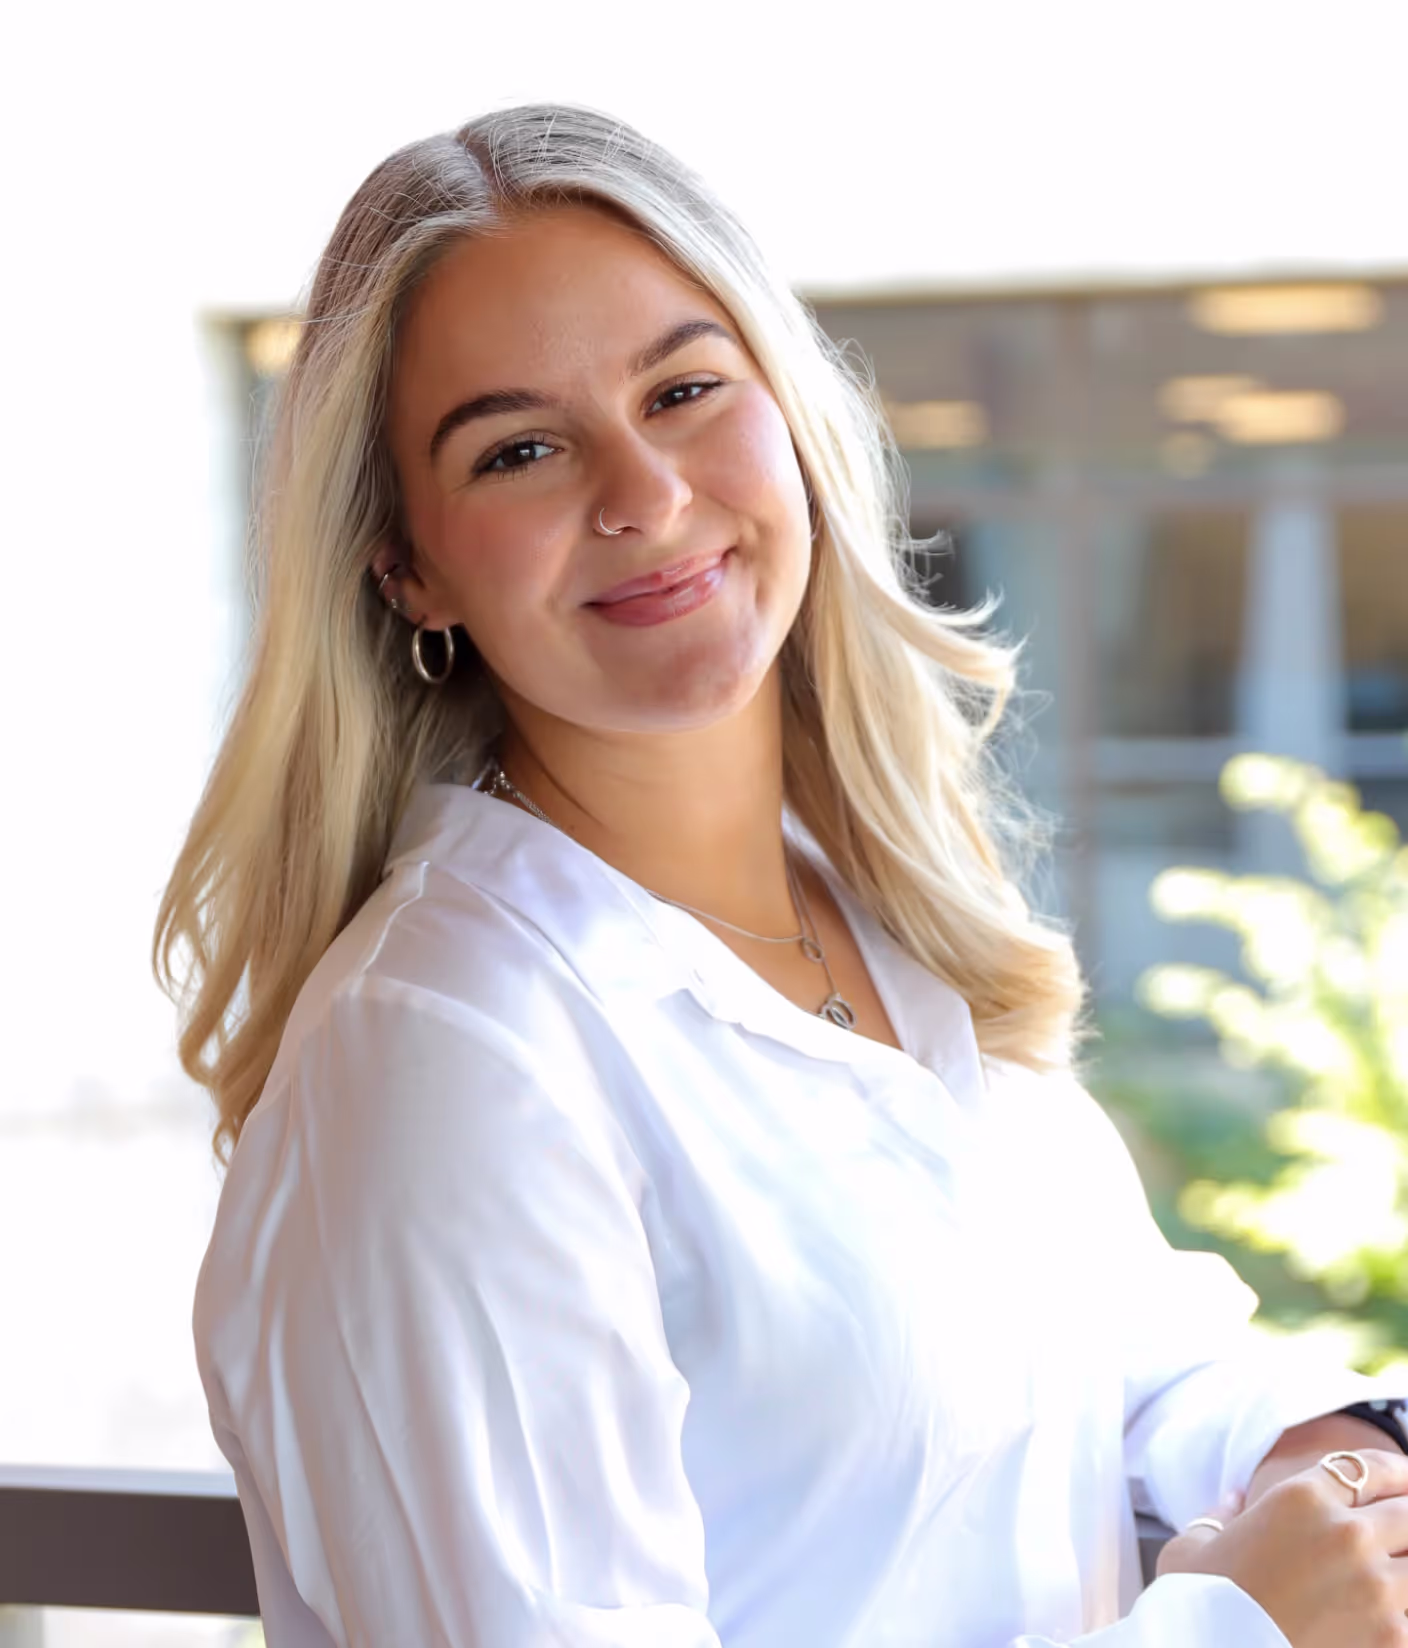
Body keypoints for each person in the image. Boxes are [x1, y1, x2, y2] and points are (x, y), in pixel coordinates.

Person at [155, 102, 1408, 1648]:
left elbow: (1140, 1360)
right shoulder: (445, 1053)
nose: (645, 494)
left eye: (684, 389)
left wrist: (1343, 1468)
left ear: (791, 417)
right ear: (405, 561)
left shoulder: (879, 914)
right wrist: (1236, 1630)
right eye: (521, 448)